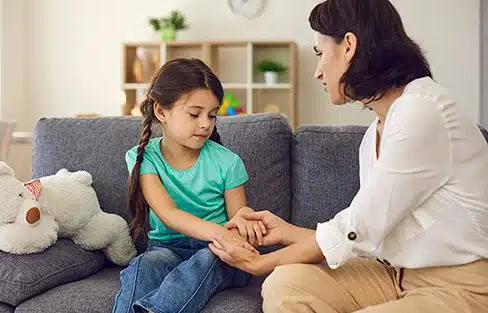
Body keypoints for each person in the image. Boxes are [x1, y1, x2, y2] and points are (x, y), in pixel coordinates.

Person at [209, 0, 488, 312]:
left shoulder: (422, 111)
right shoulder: (376, 133)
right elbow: (363, 238)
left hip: (459, 286)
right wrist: (284, 231)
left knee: (273, 273)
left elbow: (357, 227)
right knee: (286, 283)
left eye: (320, 53)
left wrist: (261, 264)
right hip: (392, 273)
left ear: (349, 46)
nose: (317, 72)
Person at [112, 58, 266, 313]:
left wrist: (243, 227)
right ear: (162, 112)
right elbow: (168, 214)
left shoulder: (227, 162)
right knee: (146, 264)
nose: (206, 123)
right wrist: (220, 233)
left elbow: (238, 218)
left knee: (209, 258)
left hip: (218, 251)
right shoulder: (143, 158)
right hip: (167, 248)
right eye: (195, 114)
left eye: (212, 115)